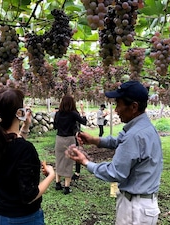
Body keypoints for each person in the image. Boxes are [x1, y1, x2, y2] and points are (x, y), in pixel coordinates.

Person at [67, 80, 163, 225]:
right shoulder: (144, 127)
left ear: (133, 107)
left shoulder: (134, 136)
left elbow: (115, 172)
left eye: (119, 104)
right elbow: (119, 140)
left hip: (134, 210)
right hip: (143, 205)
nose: (116, 110)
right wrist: (94, 140)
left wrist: (85, 162)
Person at [0, 87, 55, 225]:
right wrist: (52, 174)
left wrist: (25, 126)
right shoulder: (25, 150)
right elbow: (29, 195)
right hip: (24, 219)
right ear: (19, 112)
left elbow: (14, 147)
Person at [53, 94, 87, 194]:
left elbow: (55, 126)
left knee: (58, 160)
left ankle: (58, 183)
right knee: (68, 162)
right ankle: (67, 187)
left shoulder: (58, 114)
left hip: (59, 139)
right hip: (69, 139)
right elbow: (84, 122)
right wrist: (83, 111)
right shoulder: (73, 114)